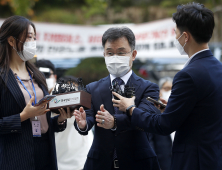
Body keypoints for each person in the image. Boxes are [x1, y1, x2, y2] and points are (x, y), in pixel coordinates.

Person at [112, 3, 222, 170]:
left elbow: (163, 125)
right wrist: (172, 109)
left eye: (176, 33)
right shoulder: (218, 68)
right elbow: (204, 113)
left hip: (193, 162)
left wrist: (131, 109)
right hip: (214, 157)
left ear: (185, 37)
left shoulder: (187, 75)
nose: (175, 37)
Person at [72, 27, 160, 170]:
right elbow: (87, 117)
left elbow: (146, 119)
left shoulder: (149, 88)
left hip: (138, 162)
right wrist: (82, 124)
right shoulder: (91, 88)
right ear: (104, 54)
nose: (115, 57)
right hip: (100, 163)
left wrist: (114, 122)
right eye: (110, 53)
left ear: (133, 54)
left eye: (121, 52)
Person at [0, 16, 71, 170]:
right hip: (15, 156)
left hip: (45, 149)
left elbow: (42, 120)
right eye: (28, 37)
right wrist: (22, 117)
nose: (32, 42)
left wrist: (59, 120)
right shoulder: (2, 76)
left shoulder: (37, 74)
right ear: (11, 41)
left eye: (34, 37)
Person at [149, 77, 173, 170]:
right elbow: (150, 141)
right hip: (162, 164)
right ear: (160, 92)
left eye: (172, 89)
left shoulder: (181, 111)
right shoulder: (154, 113)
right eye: (166, 88)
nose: (170, 91)